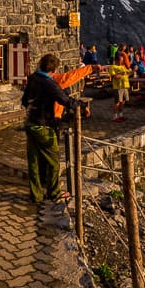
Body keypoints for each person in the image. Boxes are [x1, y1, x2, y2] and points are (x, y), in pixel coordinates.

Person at [21, 54, 84, 203]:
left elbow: (24, 101)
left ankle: (36, 195)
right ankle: (54, 192)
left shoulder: (33, 78)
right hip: (44, 125)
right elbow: (64, 99)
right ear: (54, 69)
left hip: (30, 122)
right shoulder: (48, 83)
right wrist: (79, 105)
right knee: (54, 160)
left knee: (34, 161)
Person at [108, 55, 132, 123]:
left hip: (125, 86)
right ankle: (115, 117)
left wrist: (133, 70)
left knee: (123, 102)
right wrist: (122, 73)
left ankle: (121, 115)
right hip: (118, 87)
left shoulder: (123, 66)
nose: (121, 61)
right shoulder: (113, 67)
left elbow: (128, 74)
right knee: (117, 102)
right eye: (120, 60)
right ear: (116, 60)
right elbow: (115, 76)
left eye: (122, 60)